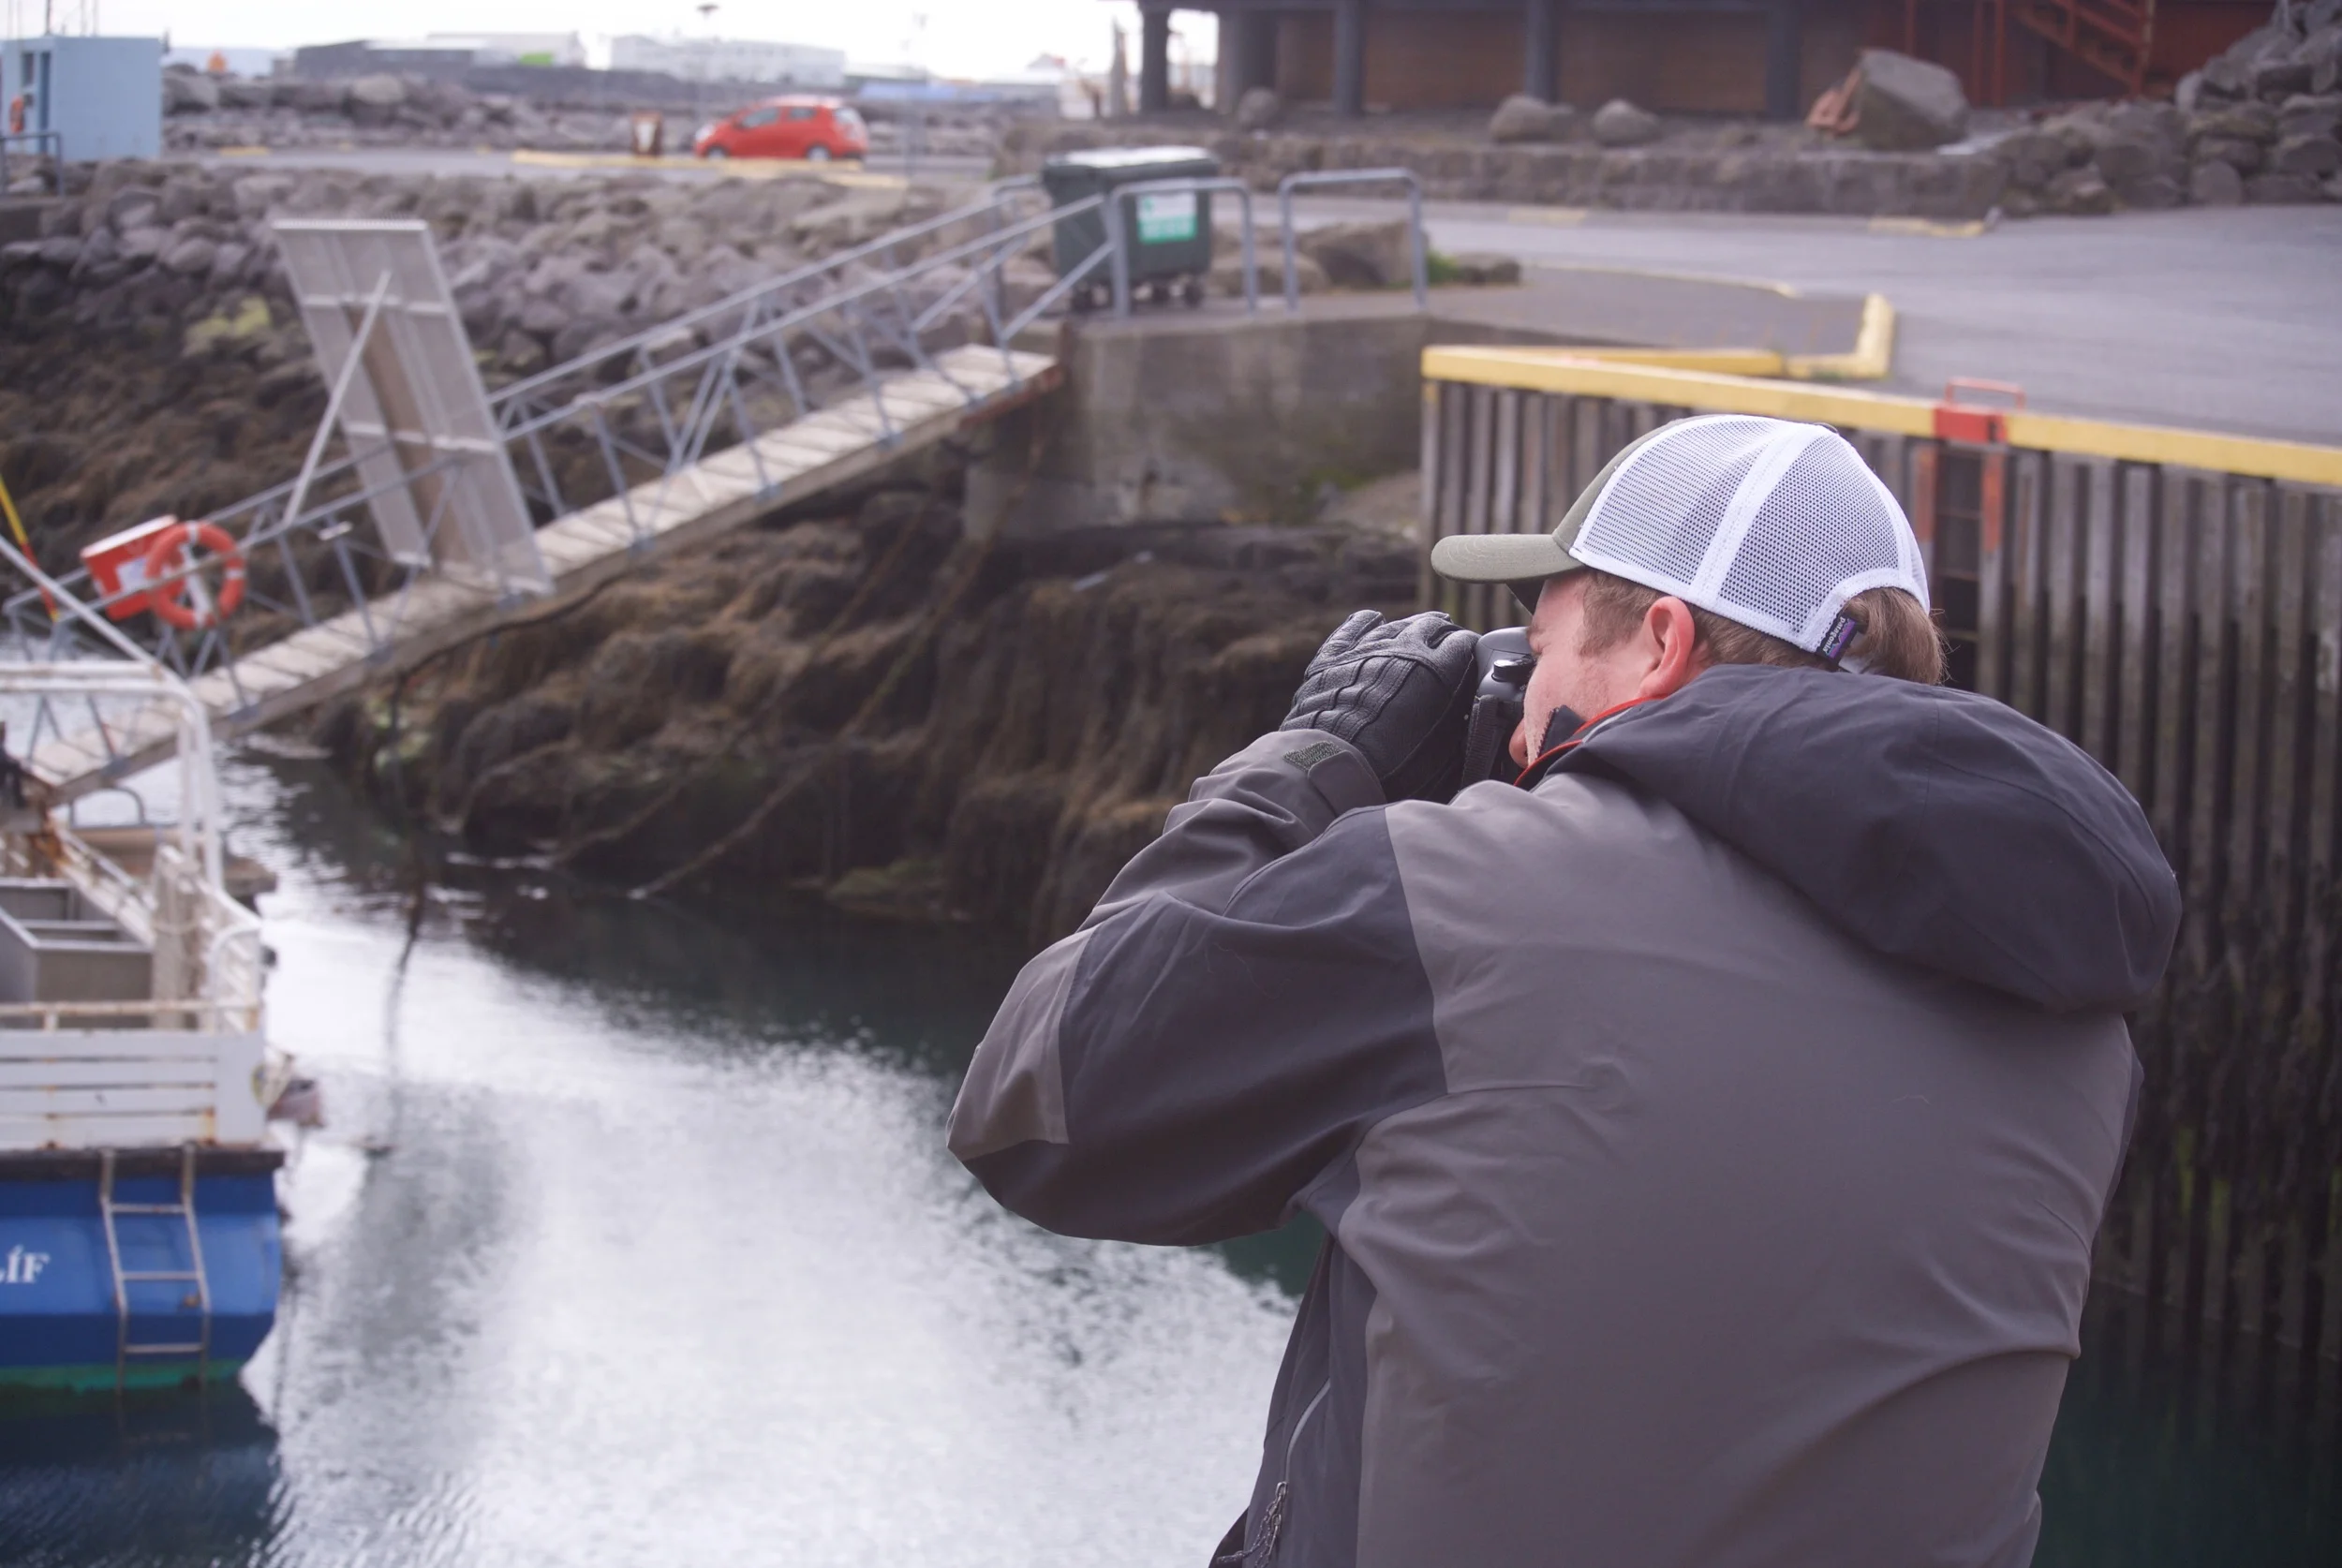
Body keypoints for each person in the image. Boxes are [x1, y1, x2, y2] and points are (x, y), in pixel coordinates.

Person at [947, 415, 2180, 1568]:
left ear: (1661, 644)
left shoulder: (1458, 897)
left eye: (1538, 652)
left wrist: (1309, 768)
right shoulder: (2077, 1025)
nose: (1516, 708)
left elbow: (1036, 1101)